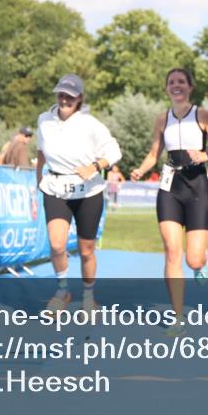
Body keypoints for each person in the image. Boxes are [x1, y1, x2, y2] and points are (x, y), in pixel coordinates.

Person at [131, 68, 208, 335]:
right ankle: (178, 317)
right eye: (171, 82)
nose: (176, 86)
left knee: (193, 260)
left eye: (181, 82)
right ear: (166, 89)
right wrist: (141, 170)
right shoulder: (161, 119)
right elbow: (154, 154)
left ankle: (202, 261)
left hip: (197, 186)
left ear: (190, 87)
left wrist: (205, 155)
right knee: (172, 251)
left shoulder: (201, 115)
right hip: (170, 188)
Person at [36, 74, 122, 312]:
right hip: (55, 187)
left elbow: (114, 151)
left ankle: (88, 296)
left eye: (70, 96)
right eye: (61, 94)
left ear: (79, 98)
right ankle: (63, 291)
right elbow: (41, 152)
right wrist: (39, 181)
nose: (64, 99)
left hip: (88, 191)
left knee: (86, 250)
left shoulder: (91, 124)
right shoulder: (44, 120)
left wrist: (94, 167)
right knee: (56, 244)